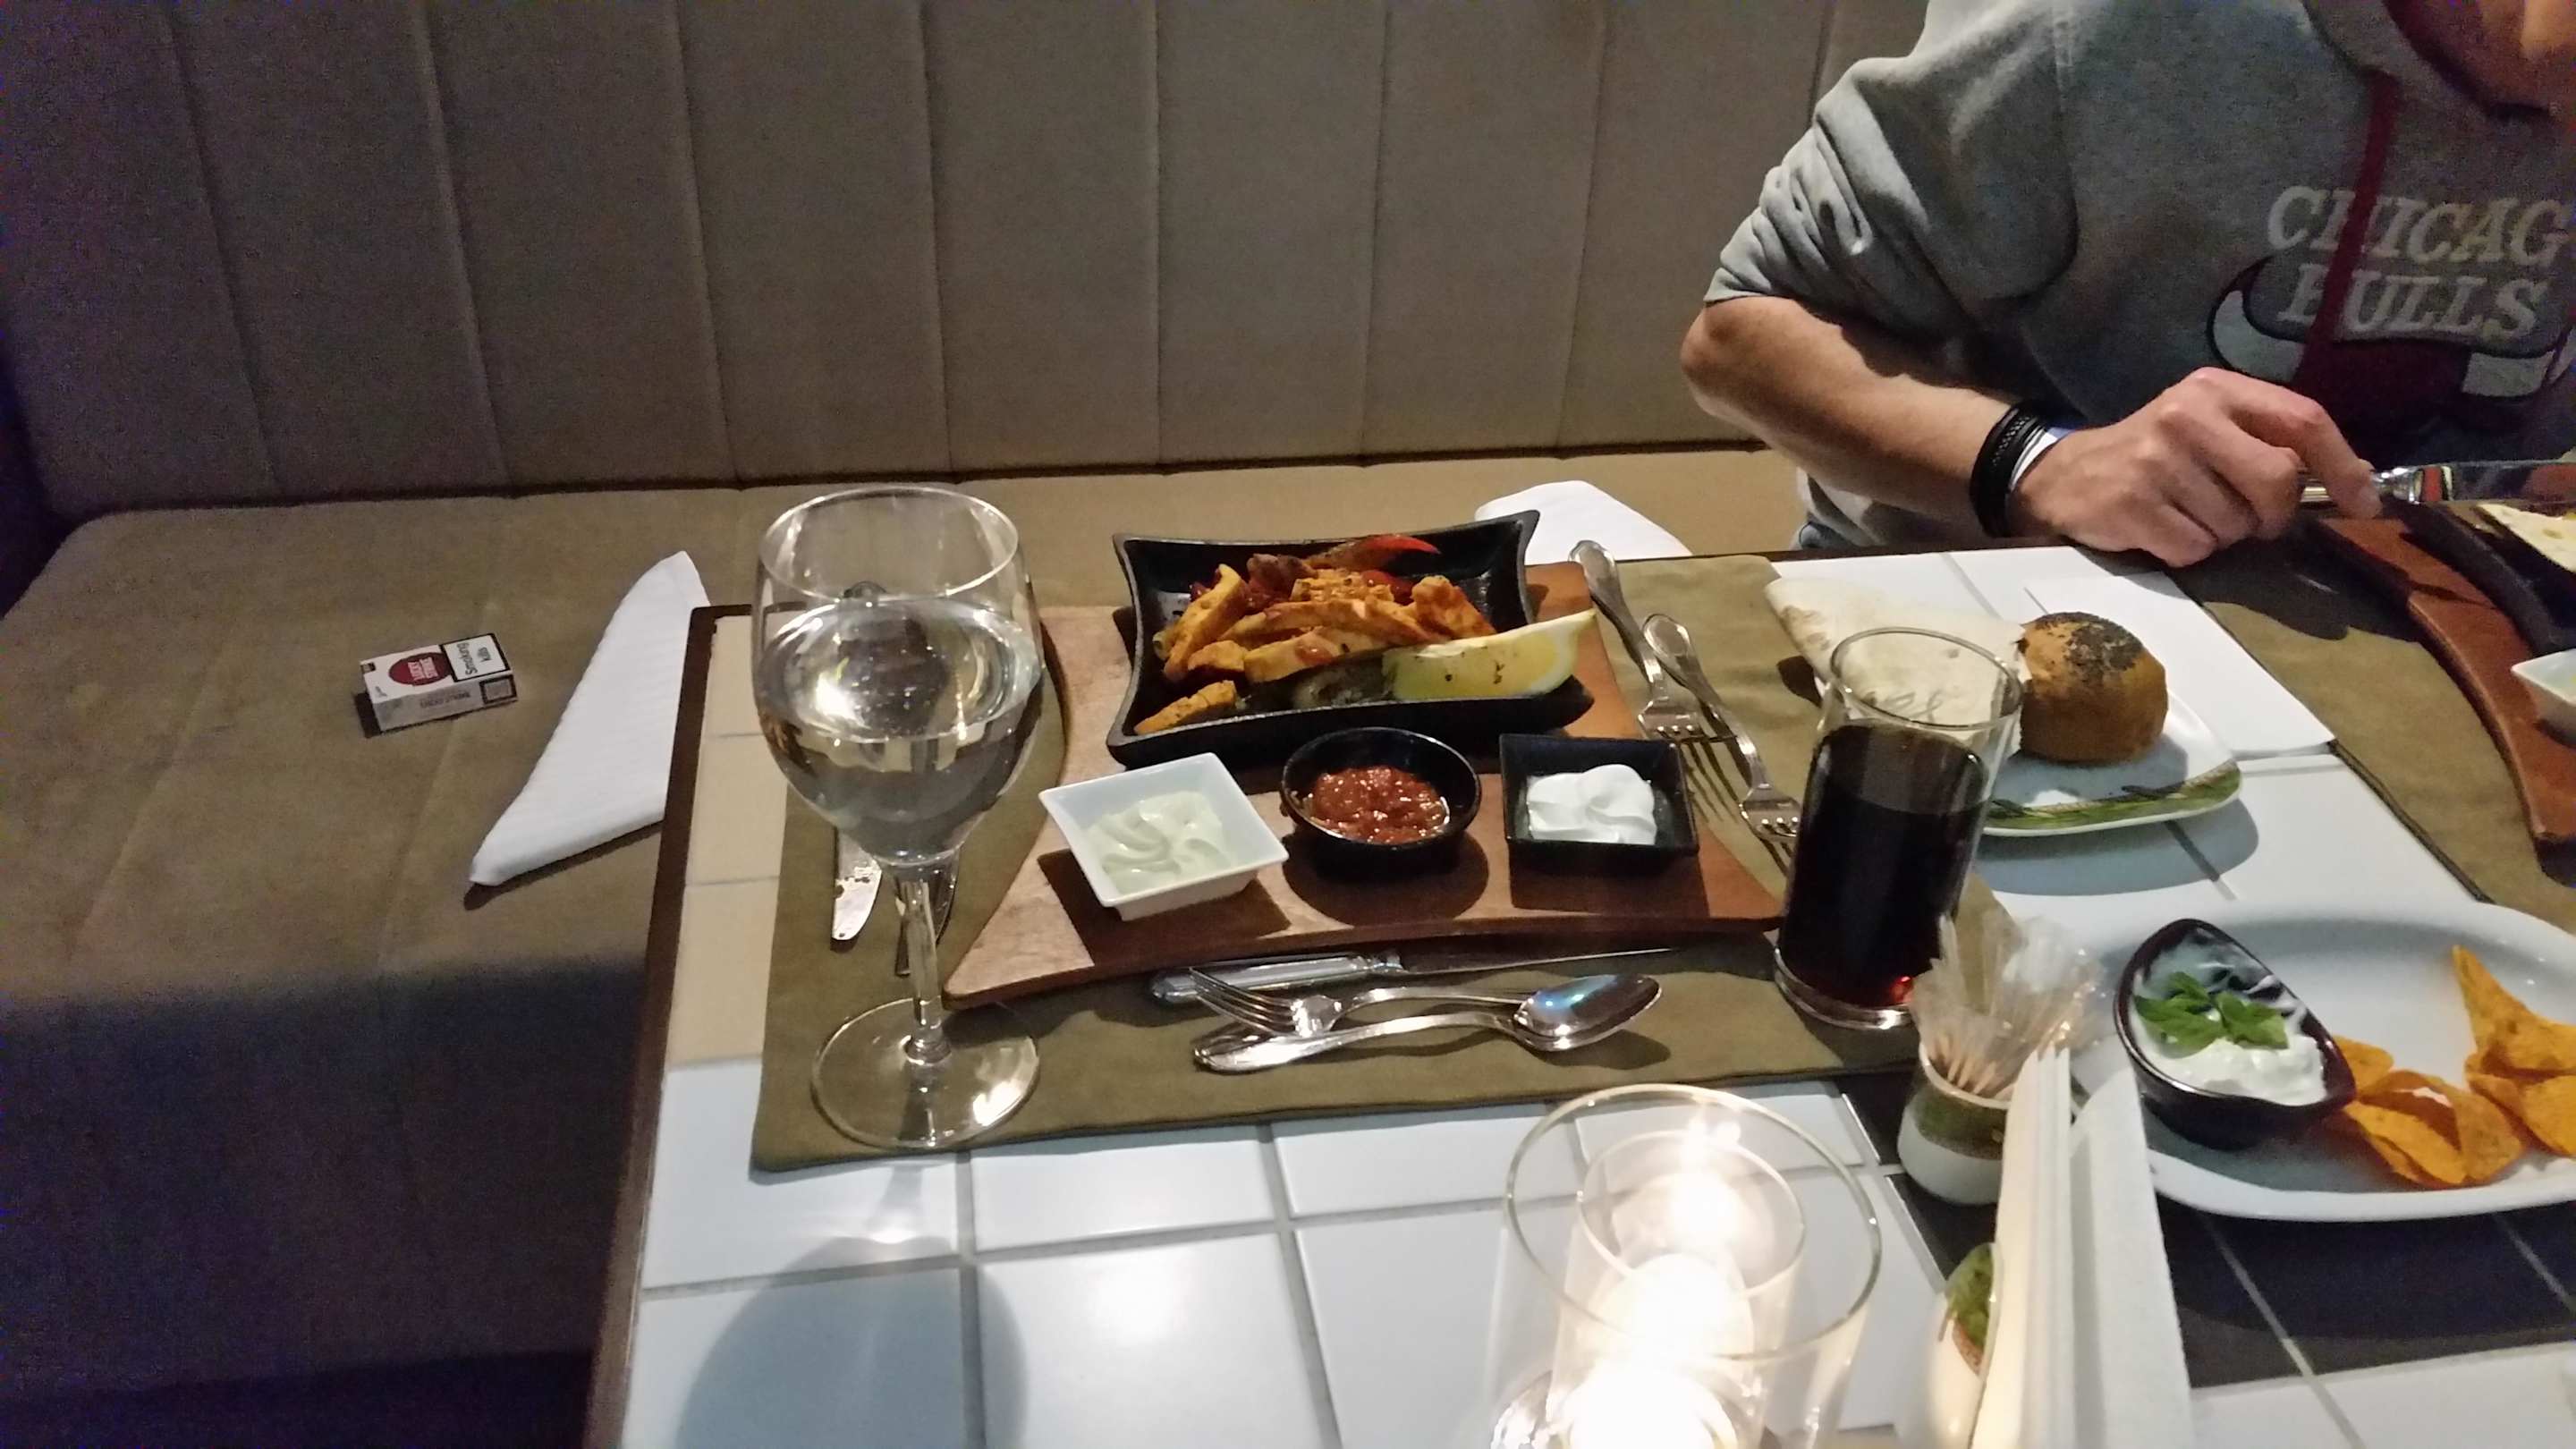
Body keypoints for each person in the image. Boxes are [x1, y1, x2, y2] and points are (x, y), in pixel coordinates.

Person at [1682, 0, 2576, 564]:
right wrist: (2042, 464)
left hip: (2460, 640)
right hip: (1989, 609)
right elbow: (1738, 341)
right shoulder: (2119, 27)